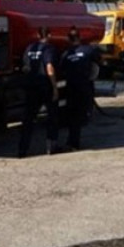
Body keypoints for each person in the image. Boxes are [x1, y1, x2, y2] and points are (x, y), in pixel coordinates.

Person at [19, 26, 59, 158]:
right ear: (49, 35)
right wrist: (54, 87)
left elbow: (25, 67)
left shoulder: (29, 48)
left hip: (31, 86)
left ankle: (23, 149)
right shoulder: (49, 48)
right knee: (52, 115)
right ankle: (51, 147)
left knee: (28, 119)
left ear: (37, 35)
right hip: (45, 86)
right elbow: (50, 67)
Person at [59, 27, 100, 151]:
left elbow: (61, 70)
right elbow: (98, 64)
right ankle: (76, 139)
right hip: (85, 86)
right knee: (82, 114)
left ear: (68, 39)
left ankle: (73, 142)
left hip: (72, 88)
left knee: (73, 115)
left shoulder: (66, 54)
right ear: (79, 37)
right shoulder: (89, 50)